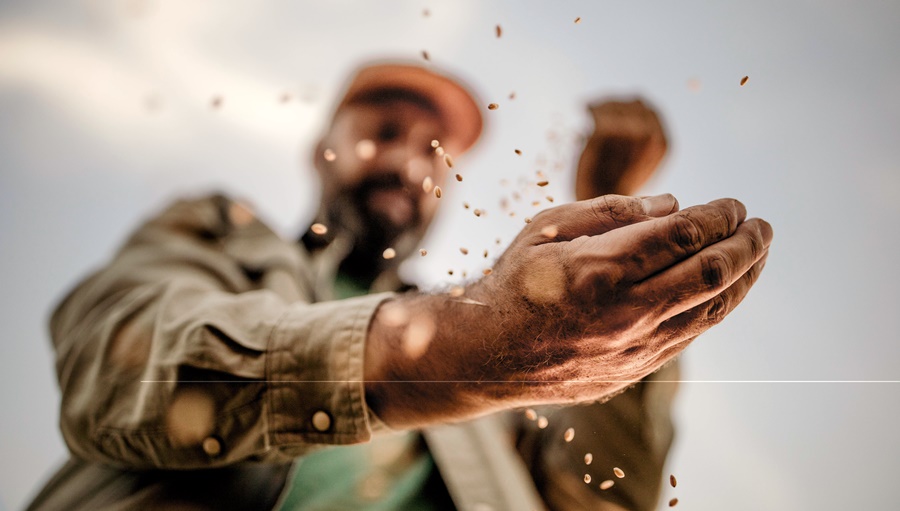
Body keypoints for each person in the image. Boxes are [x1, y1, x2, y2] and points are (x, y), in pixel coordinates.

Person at [26, 61, 772, 511]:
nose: (410, 163)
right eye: (383, 131)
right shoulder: (220, 233)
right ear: (323, 149)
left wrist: (623, 272)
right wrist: (465, 346)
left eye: (435, 153)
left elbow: (604, 497)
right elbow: (118, 360)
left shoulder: (511, 392)